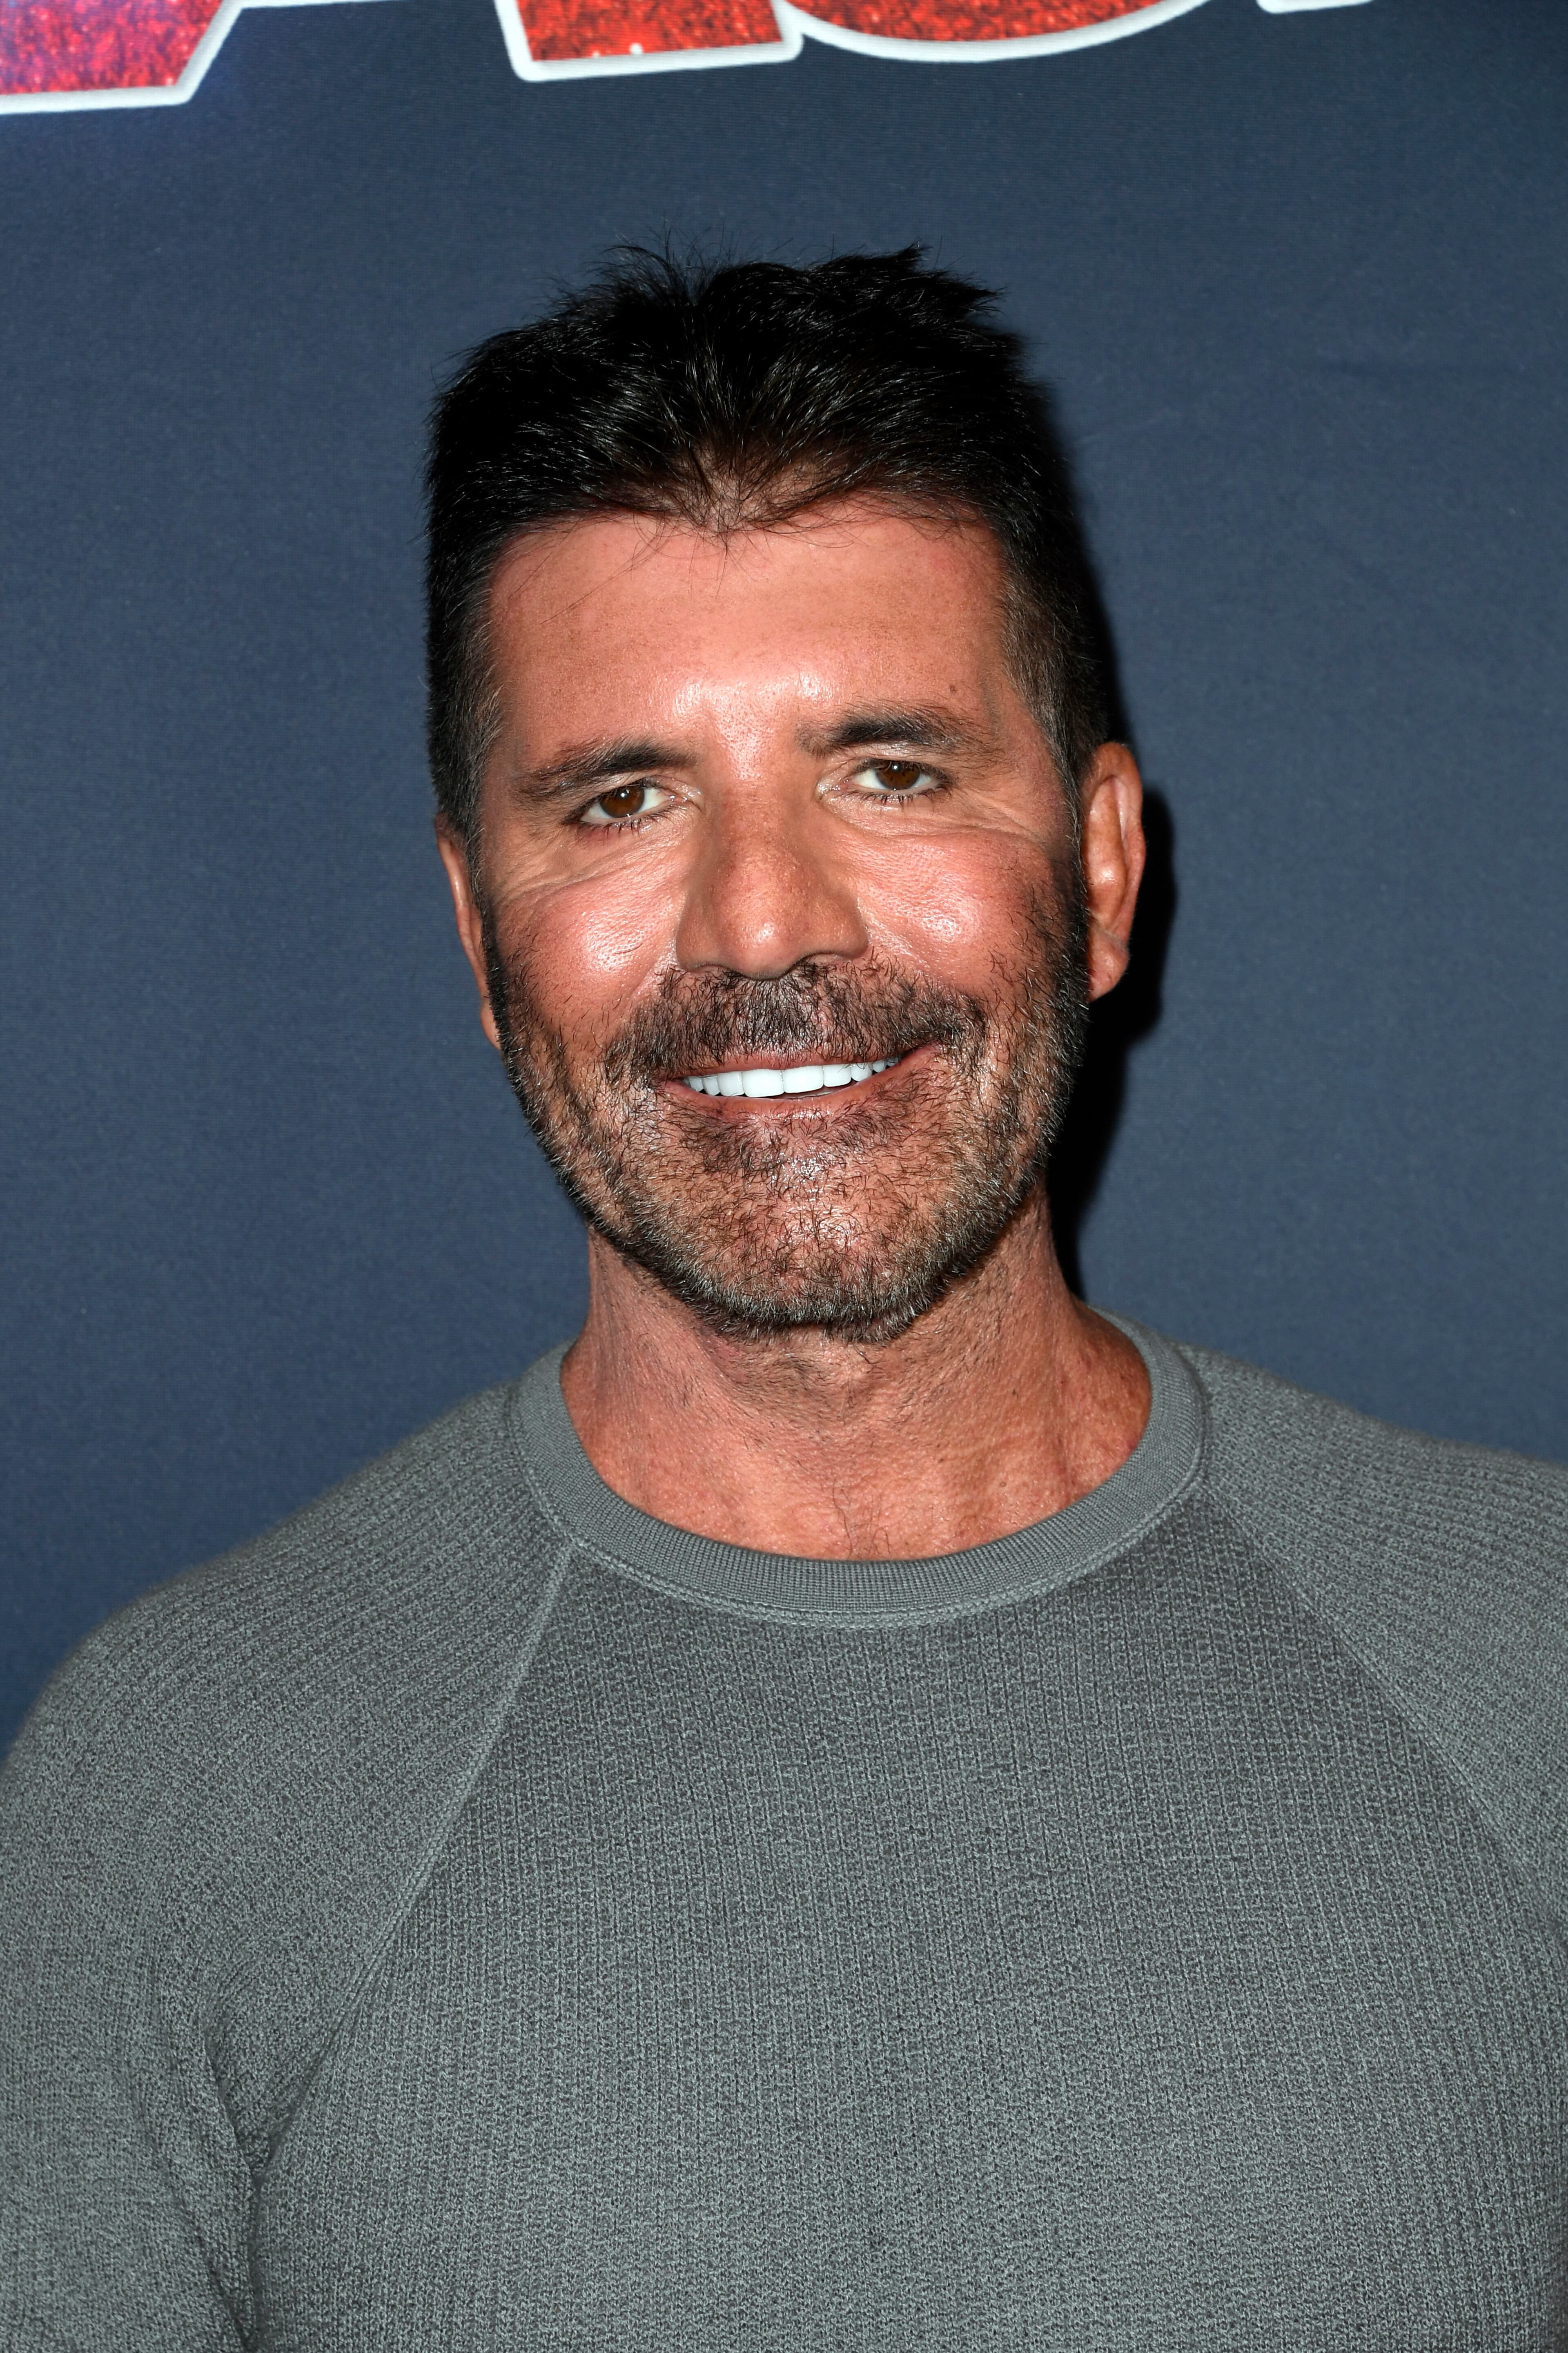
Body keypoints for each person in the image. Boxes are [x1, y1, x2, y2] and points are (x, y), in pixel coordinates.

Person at [2, 248, 1565, 2353]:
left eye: (889, 770)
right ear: (480, 935)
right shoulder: (168, 1783)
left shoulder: (1527, 1668)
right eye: (624, 799)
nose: (762, 919)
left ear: (1100, 870)